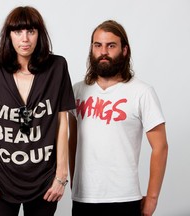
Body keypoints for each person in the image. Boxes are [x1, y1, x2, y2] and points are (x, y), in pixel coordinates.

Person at [0, 6, 76, 216]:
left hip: (44, 179)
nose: (25, 39)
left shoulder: (57, 67)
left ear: (40, 34)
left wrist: (61, 175)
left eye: (31, 31)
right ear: (9, 35)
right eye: (18, 31)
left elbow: (62, 121)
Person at [68, 20, 168, 216]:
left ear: (124, 50)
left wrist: (152, 198)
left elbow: (161, 146)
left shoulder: (142, 92)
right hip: (83, 198)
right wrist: (74, 183)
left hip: (124, 198)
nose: (103, 51)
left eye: (111, 45)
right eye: (98, 45)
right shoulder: (77, 91)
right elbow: (74, 141)